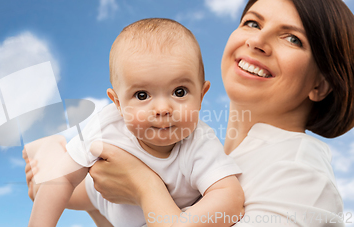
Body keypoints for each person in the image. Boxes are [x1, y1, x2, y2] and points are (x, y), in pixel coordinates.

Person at [27, 0, 354, 226]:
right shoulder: (213, 151)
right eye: (252, 22)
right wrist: (66, 181)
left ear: (321, 85)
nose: (257, 41)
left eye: (292, 38)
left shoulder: (300, 176)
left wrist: (144, 186)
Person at [26, 18, 244, 227]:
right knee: (43, 186)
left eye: (179, 92)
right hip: (99, 190)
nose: (162, 109)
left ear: (201, 95)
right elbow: (60, 181)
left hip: (139, 215)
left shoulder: (200, 144)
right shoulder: (107, 128)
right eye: (142, 95)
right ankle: (47, 148)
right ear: (118, 104)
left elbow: (230, 198)